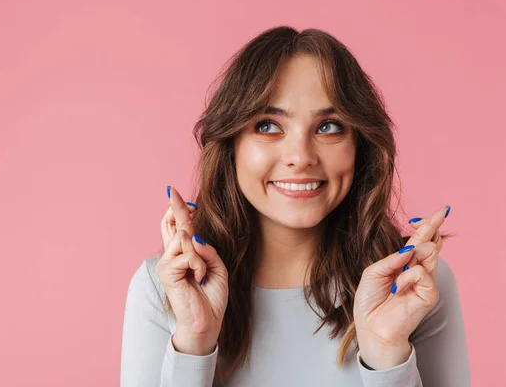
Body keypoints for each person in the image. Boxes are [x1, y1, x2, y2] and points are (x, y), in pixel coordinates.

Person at [120, 26, 471, 386]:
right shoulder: (164, 289)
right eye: (268, 126)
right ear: (232, 146)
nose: (301, 157)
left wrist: (387, 357)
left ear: (359, 146)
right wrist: (193, 345)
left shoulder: (416, 286)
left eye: (329, 126)